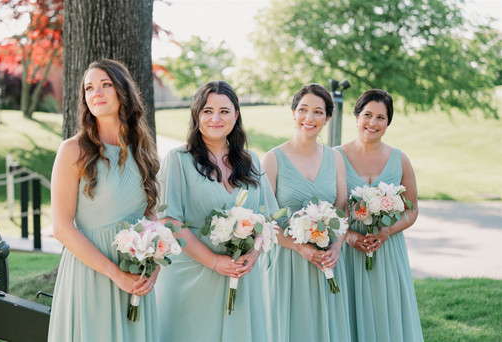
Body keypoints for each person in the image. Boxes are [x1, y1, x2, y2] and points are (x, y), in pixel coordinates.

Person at [155, 80, 278, 341]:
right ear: (196, 115)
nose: (216, 118)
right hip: (192, 275)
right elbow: (169, 221)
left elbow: (268, 219)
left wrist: (252, 256)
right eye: (207, 111)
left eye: (224, 111)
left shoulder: (251, 160)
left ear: (236, 115)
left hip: (242, 275)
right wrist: (214, 261)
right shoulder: (179, 159)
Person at [48, 59, 161, 341]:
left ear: (123, 91)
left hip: (137, 276)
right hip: (92, 276)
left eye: (105, 85)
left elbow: (151, 217)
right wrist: (115, 274)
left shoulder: (143, 149)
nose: (95, 93)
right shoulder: (73, 150)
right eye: (89, 88)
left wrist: (155, 265)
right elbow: (61, 228)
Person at [260, 83, 351, 341]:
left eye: (318, 112)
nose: (309, 118)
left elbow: (342, 209)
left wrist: (336, 247)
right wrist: (300, 247)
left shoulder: (335, 158)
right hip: (287, 261)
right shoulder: (273, 159)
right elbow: (266, 219)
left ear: (328, 118)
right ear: (293, 113)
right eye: (303, 109)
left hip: (327, 259)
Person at [335, 89, 424, 341]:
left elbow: (412, 208)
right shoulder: (334, 156)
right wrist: (350, 236)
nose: (373, 123)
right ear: (356, 117)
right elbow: (328, 207)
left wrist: (387, 231)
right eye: (367, 115)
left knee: (387, 314)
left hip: (387, 250)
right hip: (347, 250)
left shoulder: (400, 159)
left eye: (381, 118)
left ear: (388, 123)